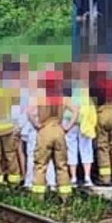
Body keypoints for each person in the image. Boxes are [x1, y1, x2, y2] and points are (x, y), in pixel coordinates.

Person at [29, 69, 75, 201]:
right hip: (59, 130)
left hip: (45, 130)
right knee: (62, 165)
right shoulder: (62, 97)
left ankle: (38, 197)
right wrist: (67, 127)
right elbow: (76, 111)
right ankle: (65, 196)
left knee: (40, 165)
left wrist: (36, 125)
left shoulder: (39, 96)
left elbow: (30, 112)